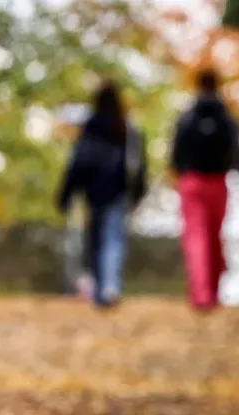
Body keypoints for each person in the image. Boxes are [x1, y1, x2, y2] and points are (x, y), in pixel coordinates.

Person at [57, 81, 148, 308]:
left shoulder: (90, 127)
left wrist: (66, 193)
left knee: (97, 239)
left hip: (93, 192)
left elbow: (77, 162)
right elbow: (137, 164)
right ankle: (109, 287)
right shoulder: (126, 128)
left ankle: (101, 289)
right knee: (113, 239)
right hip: (118, 190)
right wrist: (137, 192)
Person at [170, 69, 239, 312]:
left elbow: (175, 155)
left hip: (192, 182)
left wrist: (180, 173)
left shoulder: (188, 116)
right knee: (215, 237)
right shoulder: (226, 117)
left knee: (196, 237)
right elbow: (238, 153)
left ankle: (201, 294)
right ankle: (214, 293)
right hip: (219, 182)